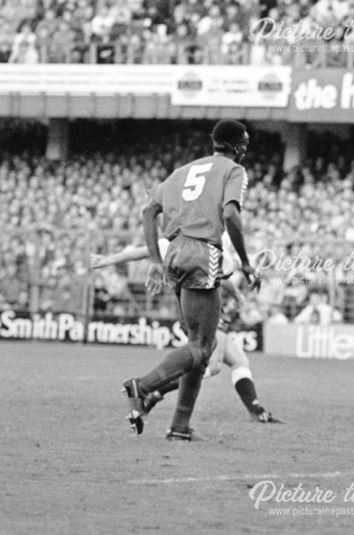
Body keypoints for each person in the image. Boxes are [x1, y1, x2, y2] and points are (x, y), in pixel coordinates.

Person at [121, 120, 259, 441]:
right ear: (238, 146)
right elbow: (230, 215)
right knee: (203, 345)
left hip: (175, 254)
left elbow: (147, 211)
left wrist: (156, 261)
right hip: (201, 251)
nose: (246, 149)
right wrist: (247, 263)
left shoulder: (181, 171)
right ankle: (142, 387)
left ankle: (180, 427)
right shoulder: (233, 171)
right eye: (246, 143)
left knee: (198, 346)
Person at [92, 237, 279, 424]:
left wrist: (109, 260)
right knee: (211, 366)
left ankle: (255, 411)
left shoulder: (190, 231)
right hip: (207, 309)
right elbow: (147, 250)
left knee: (239, 360)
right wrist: (238, 291)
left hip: (203, 307)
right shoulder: (209, 233)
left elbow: (144, 251)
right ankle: (155, 391)